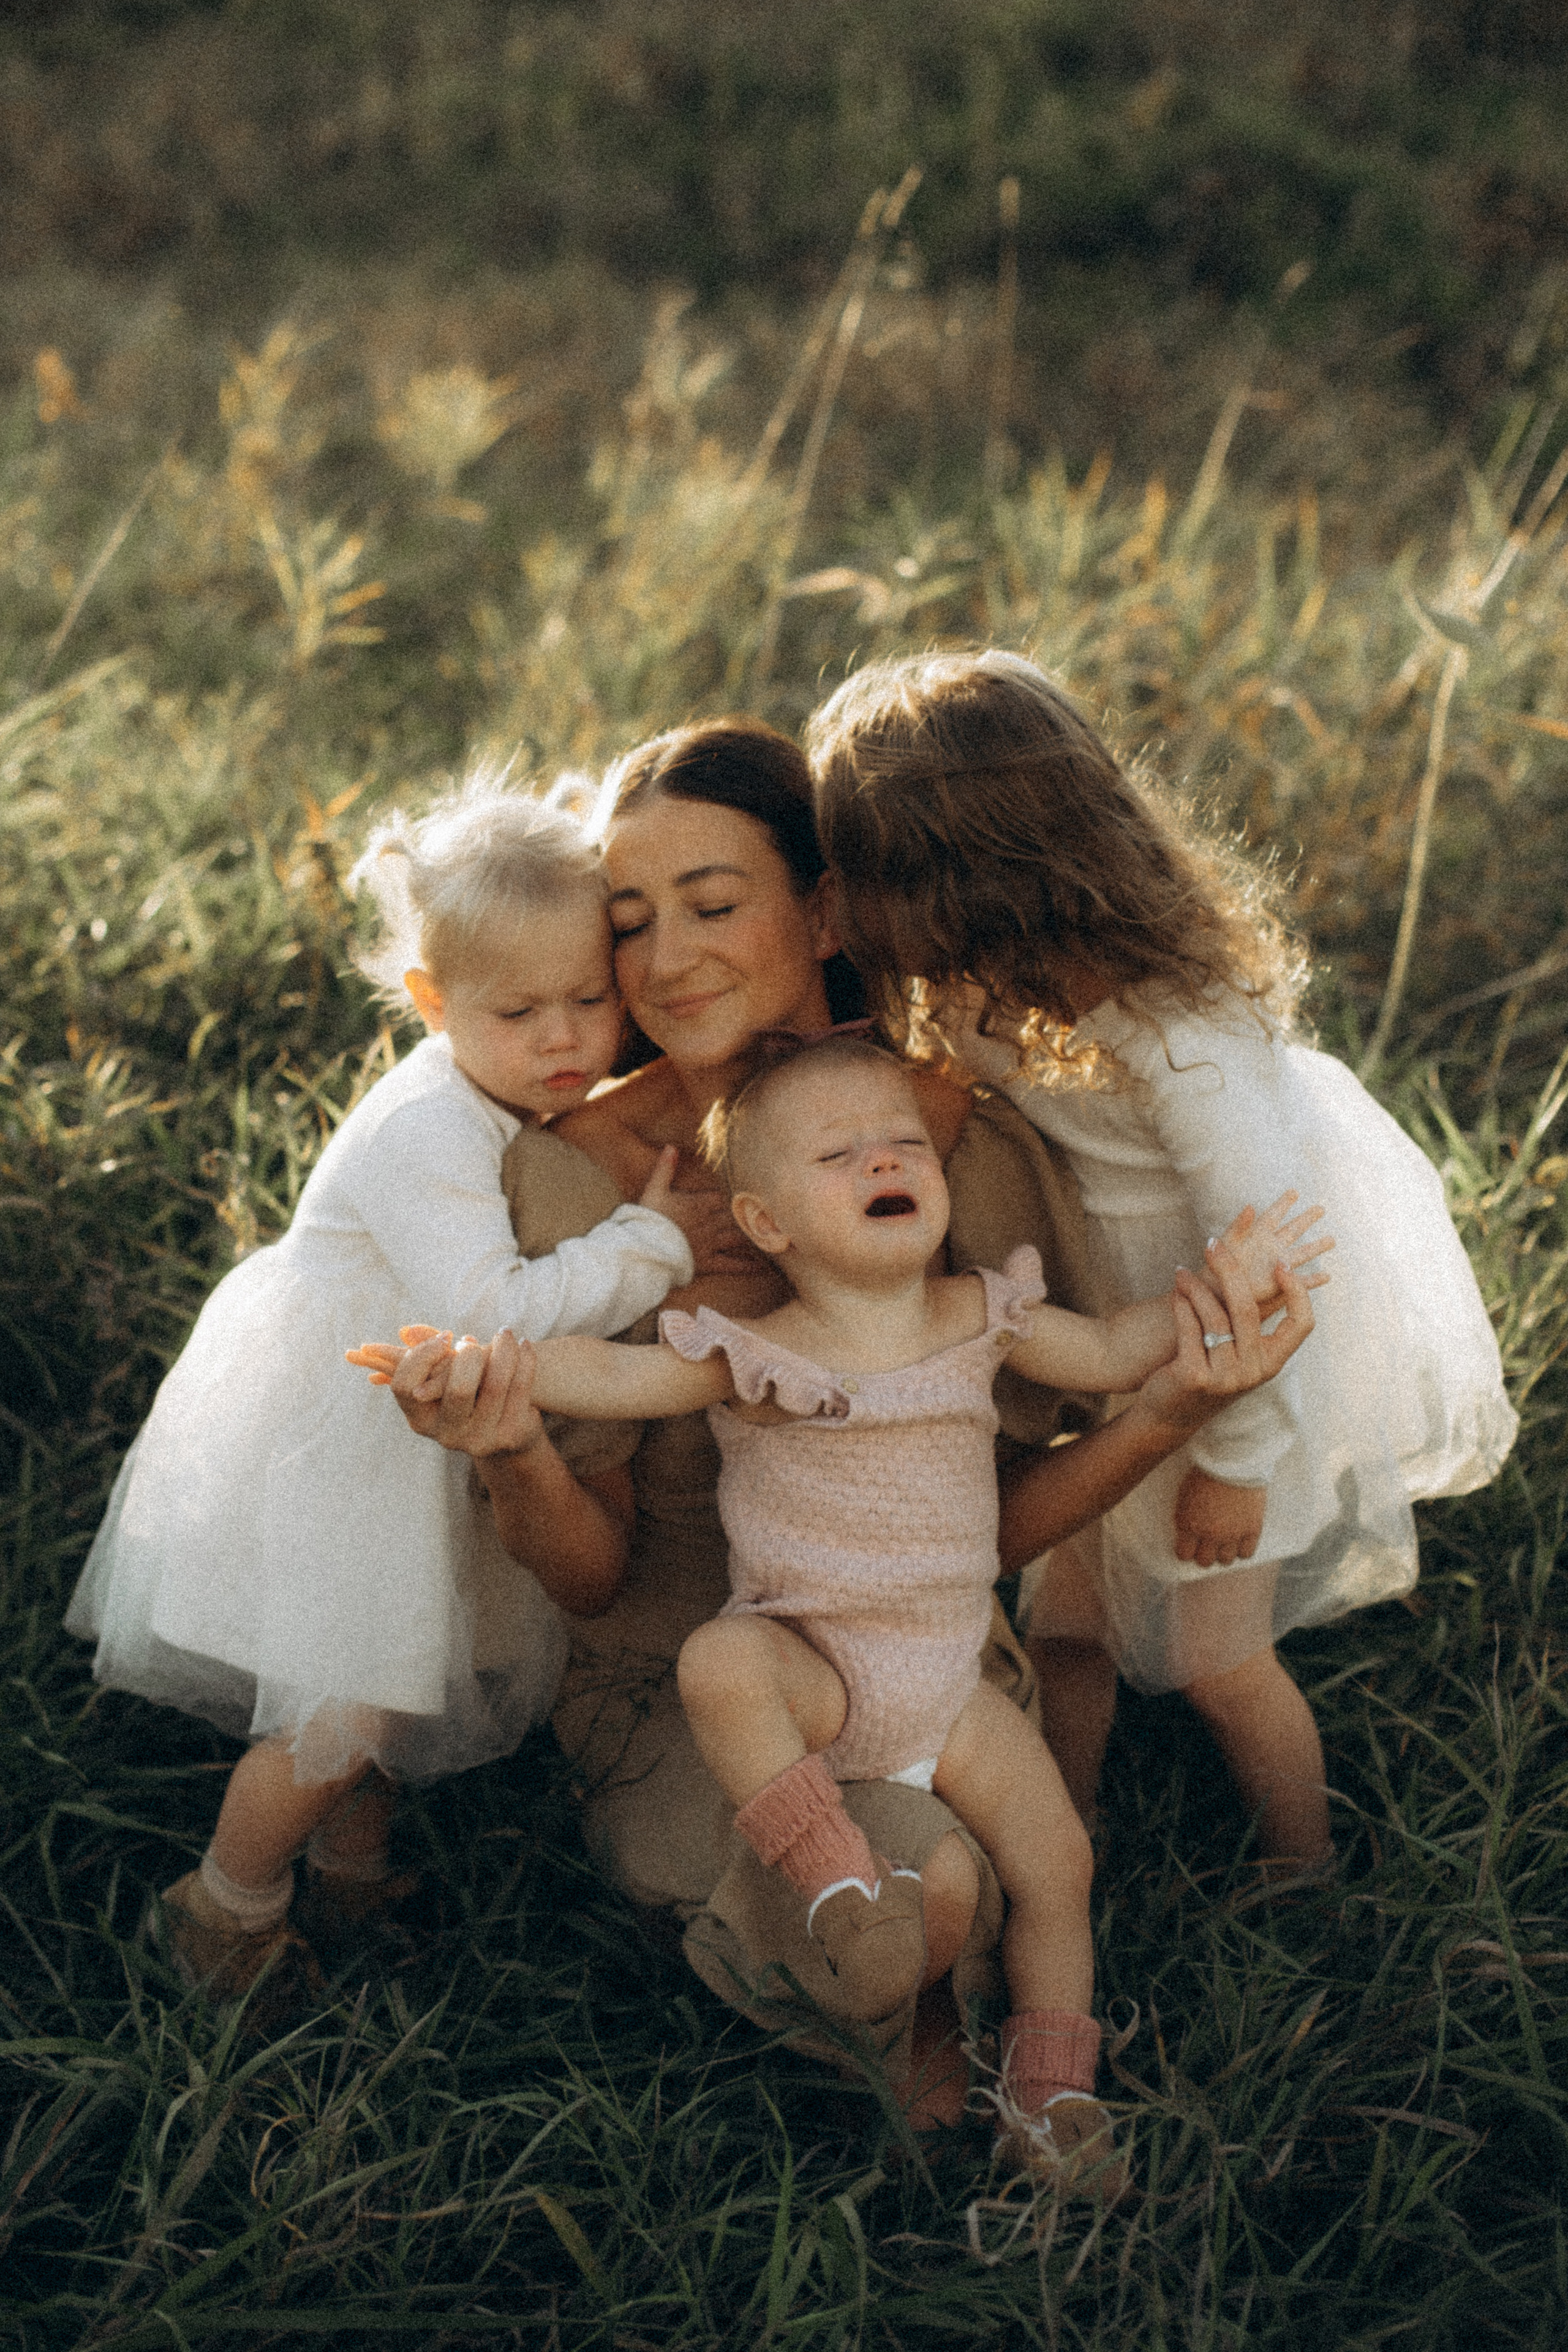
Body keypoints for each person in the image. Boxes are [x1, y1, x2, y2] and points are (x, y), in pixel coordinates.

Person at [341, 714, 1346, 2133]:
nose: (666, 959)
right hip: (701, 1660)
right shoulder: (569, 1188)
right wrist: (507, 1443)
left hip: (921, 1631)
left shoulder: (946, 1153)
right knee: (912, 1895)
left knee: (976, 1890)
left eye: (712, 903)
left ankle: (977, 2055)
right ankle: (886, 2013)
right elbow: (592, 1580)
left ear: (822, 910)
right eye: (628, 922)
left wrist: (1179, 1399)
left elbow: (984, 1513)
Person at [806, 649, 1520, 1873]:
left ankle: (1304, 1874)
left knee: (1215, 1658)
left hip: (1240, 1369)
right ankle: (1063, 1836)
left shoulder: (1181, 1034)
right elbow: (943, 1086)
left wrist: (1235, 1462)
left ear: (960, 873)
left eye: (861, 878)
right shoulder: (997, 984)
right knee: (1067, 1622)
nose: (850, 910)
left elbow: (1276, 1273)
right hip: (1118, 1348)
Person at [66, 770, 722, 2000]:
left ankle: (354, 1876)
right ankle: (224, 1906)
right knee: (351, 1699)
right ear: (430, 1003)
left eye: (588, 999)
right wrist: (649, 1243)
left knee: (388, 1659)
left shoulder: (497, 1099)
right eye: (518, 1011)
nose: (566, 1040)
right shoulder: (425, 1126)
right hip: (338, 1432)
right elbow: (489, 1314)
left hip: (397, 1428)